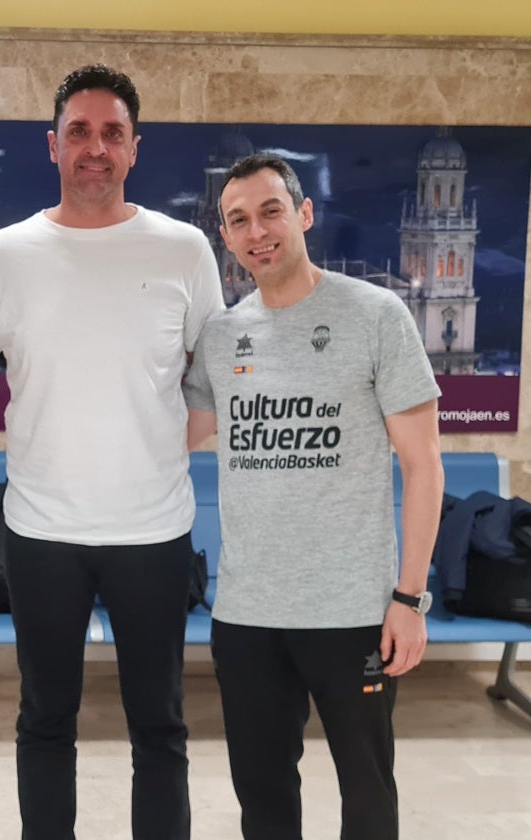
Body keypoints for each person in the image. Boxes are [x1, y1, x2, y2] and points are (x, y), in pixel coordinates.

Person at [0, 65, 224, 840]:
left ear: (135, 148)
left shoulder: (184, 251)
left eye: (112, 133)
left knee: (159, 727)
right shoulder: (2, 256)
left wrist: (157, 441)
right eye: (79, 132)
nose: (95, 147)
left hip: (154, 535)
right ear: (52, 146)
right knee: (45, 722)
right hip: (40, 538)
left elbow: (220, 379)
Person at [183, 152, 443, 840]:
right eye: (237, 220)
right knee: (263, 801)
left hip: (352, 611)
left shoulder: (376, 315)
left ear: (303, 214)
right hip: (247, 616)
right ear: (227, 237)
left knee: (366, 794)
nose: (256, 231)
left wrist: (409, 599)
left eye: (270, 211)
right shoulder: (221, 335)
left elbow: (424, 467)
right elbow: (178, 434)